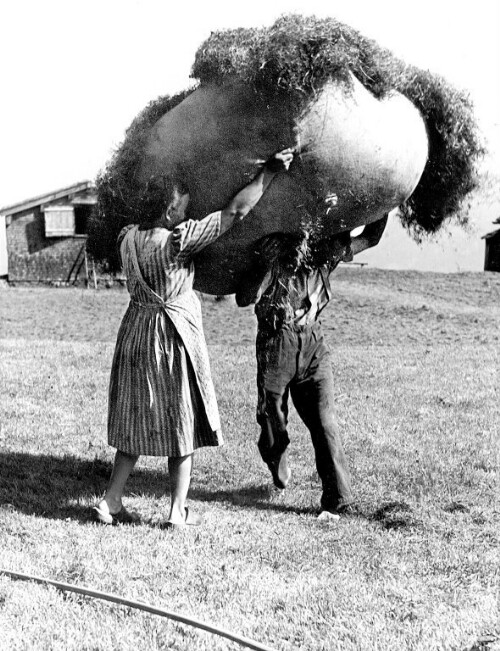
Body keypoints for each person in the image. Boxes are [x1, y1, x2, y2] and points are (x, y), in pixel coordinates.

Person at [94, 147, 294, 528]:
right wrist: (267, 173)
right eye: (183, 207)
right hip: (172, 338)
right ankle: (175, 511)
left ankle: (111, 500)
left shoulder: (127, 239)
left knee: (135, 420)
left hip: (135, 334)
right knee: (182, 421)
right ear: (170, 212)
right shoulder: (178, 240)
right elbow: (235, 212)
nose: (188, 212)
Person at [236, 215, 388, 520]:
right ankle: (276, 453)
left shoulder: (326, 254)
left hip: (313, 342)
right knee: (270, 416)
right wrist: (264, 264)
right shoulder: (273, 255)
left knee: (324, 421)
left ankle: (338, 499)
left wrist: (385, 206)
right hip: (276, 341)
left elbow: (370, 238)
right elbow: (244, 297)